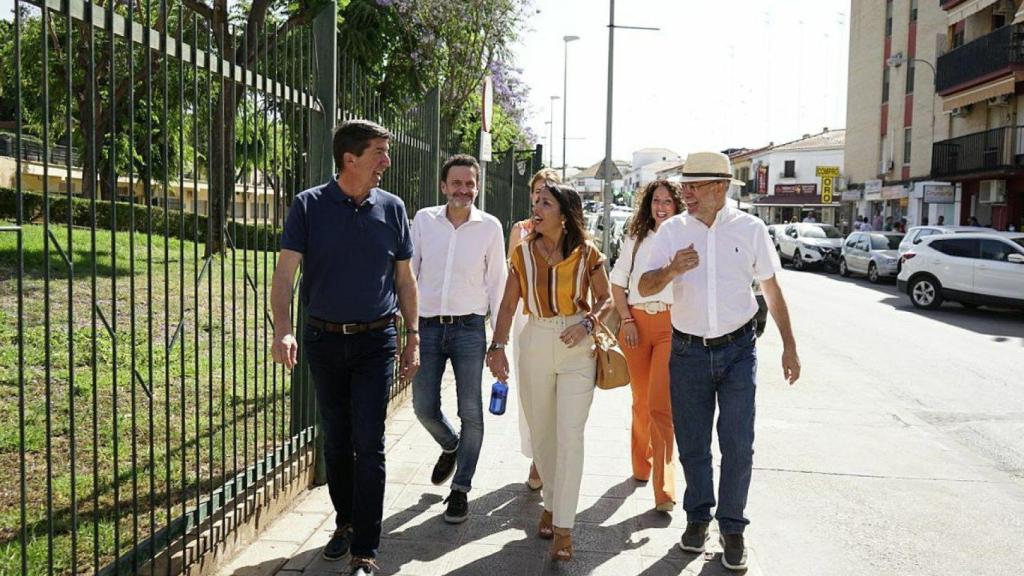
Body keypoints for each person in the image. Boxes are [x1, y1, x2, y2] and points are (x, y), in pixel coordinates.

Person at [639, 151, 800, 572]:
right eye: (684, 186)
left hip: (737, 350)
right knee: (693, 444)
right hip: (687, 350)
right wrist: (672, 269)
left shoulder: (750, 229)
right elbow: (644, 284)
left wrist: (789, 345)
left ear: (719, 188)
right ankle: (696, 518)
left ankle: (732, 528)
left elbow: (771, 287)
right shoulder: (672, 231)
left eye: (694, 186)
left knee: (737, 443)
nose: (685, 193)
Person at [270, 120, 418, 576]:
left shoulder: (392, 208)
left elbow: (404, 279)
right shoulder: (309, 206)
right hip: (323, 340)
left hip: (377, 339)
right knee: (336, 439)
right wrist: (283, 330)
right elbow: (284, 275)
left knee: (369, 443)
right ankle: (345, 522)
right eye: (379, 152)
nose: (387, 162)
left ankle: (366, 550)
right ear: (349, 159)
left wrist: (413, 336)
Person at [486, 182, 611, 562]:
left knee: (570, 436)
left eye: (545, 203)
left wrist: (588, 324)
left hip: (578, 344)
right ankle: (552, 503)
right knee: (543, 436)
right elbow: (508, 306)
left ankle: (564, 529)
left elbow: (606, 300)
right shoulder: (522, 254)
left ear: (564, 213)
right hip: (536, 339)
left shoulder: (588, 252)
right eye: (535, 202)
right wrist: (497, 347)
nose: (536, 208)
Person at [410, 154, 506, 524]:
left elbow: (497, 284)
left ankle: (461, 489)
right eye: (456, 183)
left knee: (471, 411)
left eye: (470, 184)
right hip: (428, 326)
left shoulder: (490, 227)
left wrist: (498, 342)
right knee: (423, 407)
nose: (463, 190)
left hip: (469, 329)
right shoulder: (424, 220)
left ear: (477, 187)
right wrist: (409, 328)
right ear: (443, 186)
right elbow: (411, 272)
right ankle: (450, 445)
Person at [609, 179, 683, 512]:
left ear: (678, 204)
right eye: (656, 200)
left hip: (670, 327)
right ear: (648, 204)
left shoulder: (686, 239)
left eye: (668, 201)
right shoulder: (636, 239)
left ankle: (665, 487)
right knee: (640, 401)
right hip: (635, 326)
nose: (662, 206)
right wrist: (625, 320)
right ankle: (641, 462)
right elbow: (617, 283)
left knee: (660, 405)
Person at [508, 168, 562, 491]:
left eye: (548, 191)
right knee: (530, 391)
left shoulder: (567, 232)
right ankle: (537, 456)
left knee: (554, 392)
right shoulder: (520, 230)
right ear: (531, 195)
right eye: (537, 190)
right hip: (526, 318)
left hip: (558, 321)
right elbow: (512, 278)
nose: (541, 196)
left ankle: (546, 459)